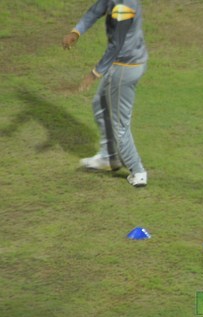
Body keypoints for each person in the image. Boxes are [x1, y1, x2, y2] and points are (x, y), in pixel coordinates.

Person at [62, 0, 148, 187]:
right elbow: (95, 10)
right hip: (122, 64)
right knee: (100, 104)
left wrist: (93, 75)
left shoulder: (125, 6)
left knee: (120, 125)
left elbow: (116, 46)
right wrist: (76, 32)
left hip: (125, 67)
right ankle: (109, 158)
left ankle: (138, 171)